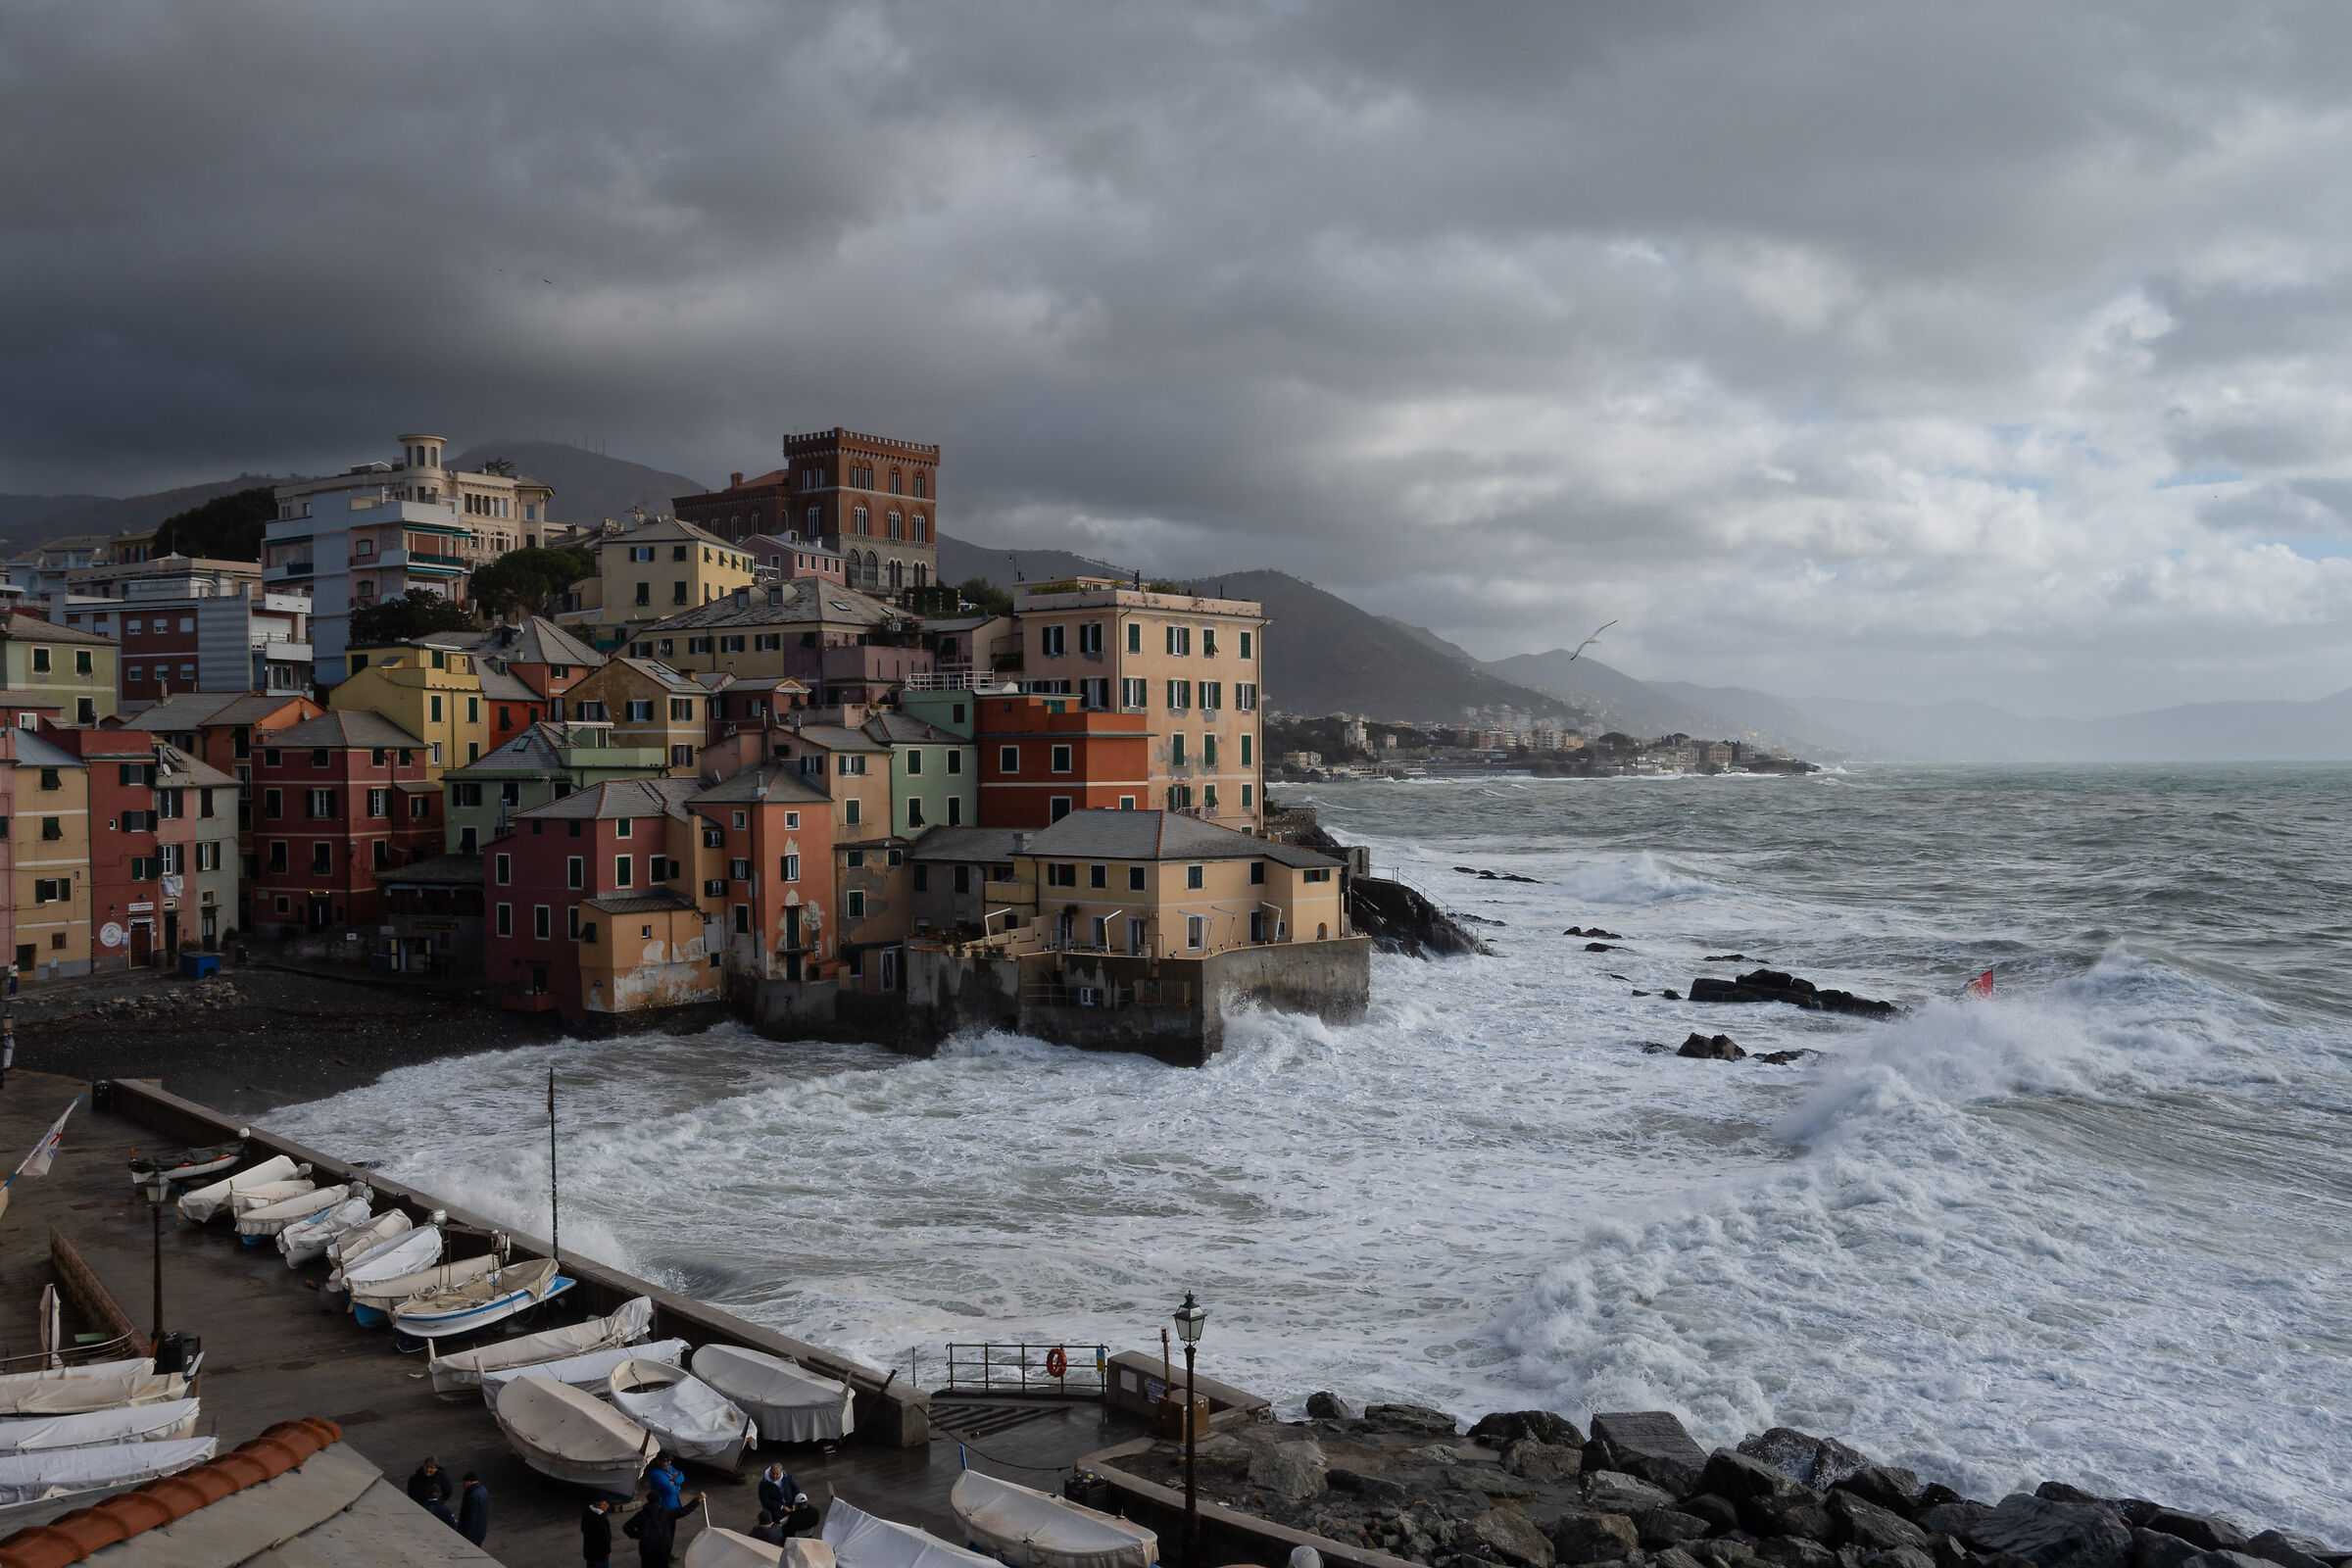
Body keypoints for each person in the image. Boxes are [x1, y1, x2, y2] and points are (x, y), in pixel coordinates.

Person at [622, 1491, 705, 1568]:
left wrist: (639, 1536)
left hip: (646, 1550)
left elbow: (626, 1527)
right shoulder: (665, 1513)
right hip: (662, 1549)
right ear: (659, 1500)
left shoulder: (640, 1515)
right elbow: (683, 1511)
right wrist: (698, 1500)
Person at [406, 1457, 456, 1527]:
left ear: (436, 1469)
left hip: (436, 1509)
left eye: (431, 1468)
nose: (428, 1470)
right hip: (420, 1508)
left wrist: (439, 1501)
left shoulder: (442, 1478)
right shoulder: (415, 1478)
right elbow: (411, 1492)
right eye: (427, 1467)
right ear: (423, 1466)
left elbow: (448, 1491)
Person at [457, 1473, 489, 1546]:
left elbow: (471, 1518)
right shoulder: (483, 1490)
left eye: (464, 1482)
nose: (463, 1485)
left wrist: (467, 1537)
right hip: (480, 1531)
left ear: (469, 1482)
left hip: (472, 1534)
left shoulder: (472, 1496)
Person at [582, 1497, 616, 1568]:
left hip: (589, 1550)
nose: (608, 1506)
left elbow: (582, 1528)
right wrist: (608, 1551)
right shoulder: (601, 1519)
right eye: (606, 1504)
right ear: (601, 1504)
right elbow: (605, 1537)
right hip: (600, 1554)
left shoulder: (587, 1512)